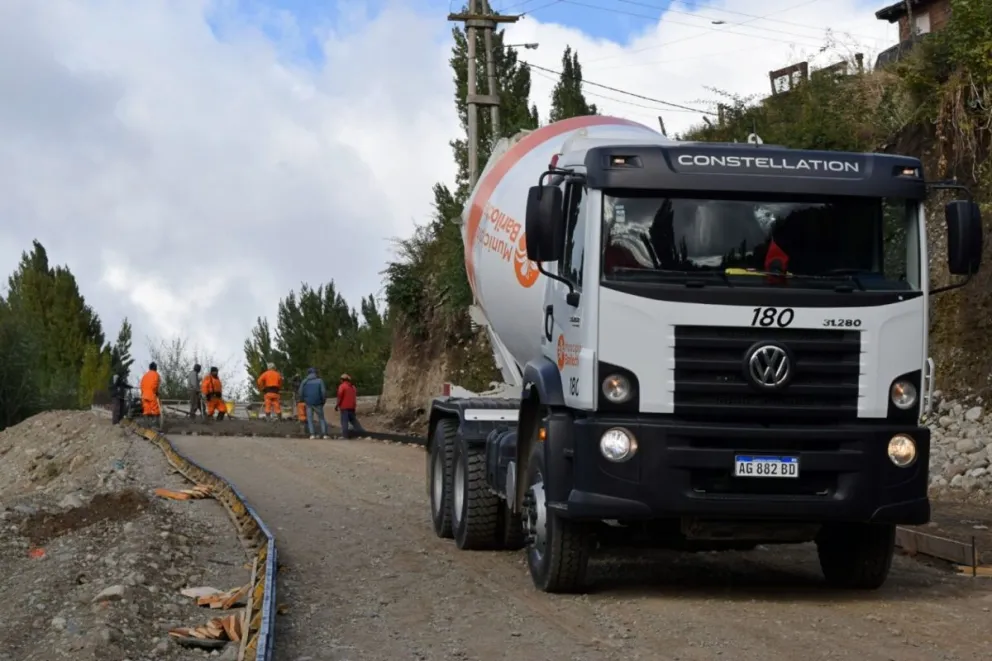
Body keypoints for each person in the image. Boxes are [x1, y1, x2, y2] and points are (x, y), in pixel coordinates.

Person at [298, 367, 328, 439]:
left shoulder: (304, 382)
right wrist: (323, 401)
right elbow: (323, 392)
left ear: (308, 373)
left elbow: (300, 392)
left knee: (309, 418)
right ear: (315, 373)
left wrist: (303, 399)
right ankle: (324, 434)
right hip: (318, 402)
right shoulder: (320, 381)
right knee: (321, 418)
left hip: (308, 403)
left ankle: (312, 434)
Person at [335, 373, 365, 439]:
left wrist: (337, 405)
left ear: (342, 380)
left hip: (344, 407)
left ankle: (345, 435)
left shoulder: (342, 386)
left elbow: (340, 396)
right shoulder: (353, 387)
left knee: (344, 421)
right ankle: (362, 433)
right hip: (352, 407)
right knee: (354, 421)